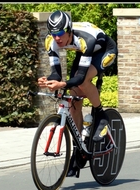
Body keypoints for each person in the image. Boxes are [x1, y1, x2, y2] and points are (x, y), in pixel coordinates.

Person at [37, 10, 118, 177]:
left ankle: (101, 114)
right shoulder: (50, 41)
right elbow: (56, 74)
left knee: (82, 81)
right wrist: (49, 80)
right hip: (83, 52)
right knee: (74, 101)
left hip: (103, 50)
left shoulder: (84, 39)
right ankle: (79, 148)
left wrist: (62, 83)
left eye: (60, 33)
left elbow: (80, 77)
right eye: (53, 34)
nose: (57, 38)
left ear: (69, 30)